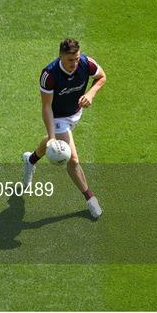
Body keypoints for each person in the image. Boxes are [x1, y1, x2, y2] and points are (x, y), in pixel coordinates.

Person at [22, 38, 106, 218]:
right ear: (60, 56)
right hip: (58, 117)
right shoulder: (50, 75)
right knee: (72, 159)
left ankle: (31, 160)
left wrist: (90, 93)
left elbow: (101, 77)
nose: (74, 64)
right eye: (70, 60)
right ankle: (90, 198)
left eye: (76, 58)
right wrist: (52, 135)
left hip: (75, 113)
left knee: (54, 142)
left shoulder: (86, 63)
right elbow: (46, 107)